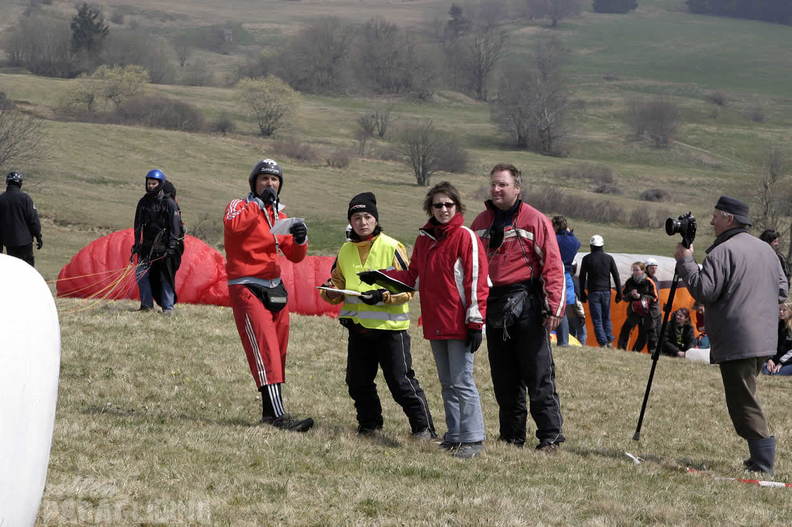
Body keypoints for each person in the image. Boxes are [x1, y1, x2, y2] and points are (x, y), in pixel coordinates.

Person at [366, 182, 488, 459]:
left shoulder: (465, 237)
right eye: (438, 205)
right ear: (430, 209)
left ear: (457, 207)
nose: (443, 209)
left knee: (462, 380)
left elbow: (476, 281)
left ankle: (473, 438)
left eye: (448, 204)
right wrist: (379, 277)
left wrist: (475, 321)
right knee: (447, 382)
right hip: (435, 321)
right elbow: (413, 278)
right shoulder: (424, 240)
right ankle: (455, 435)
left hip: (460, 322)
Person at [675, 195, 788, 473]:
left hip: (739, 337)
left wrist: (686, 261)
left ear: (729, 218)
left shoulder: (722, 252)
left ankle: (763, 460)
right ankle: (758, 456)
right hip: (764, 337)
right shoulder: (766, 250)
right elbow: (782, 290)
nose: (711, 221)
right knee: (745, 392)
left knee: (741, 399)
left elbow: (705, 290)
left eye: (716, 215)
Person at [320, 192, 436, 439]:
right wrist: (329, 290)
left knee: (401, 383)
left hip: (390, 330)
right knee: (357, 382)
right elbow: (338, 284)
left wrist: (383, 296)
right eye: (357, 217)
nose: (362, 222)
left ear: (375, 219)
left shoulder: (392, 247)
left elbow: (408, 289)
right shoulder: (345, 250)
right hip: (359, 328)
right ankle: (369, 425)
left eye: (367, 217)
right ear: (350, 222)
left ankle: (424, 428)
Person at [471, 163, 566, 451]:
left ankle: (550, 435)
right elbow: (470, 264)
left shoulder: (535, 220)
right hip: (494, 303)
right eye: (493, 184)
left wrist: (555, 307)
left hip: (527, 302)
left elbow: (553, 265)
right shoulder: (481, 223)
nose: (496, 189)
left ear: (517, 188)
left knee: (537, 373)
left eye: (502, 184)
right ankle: (512, 436)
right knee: (503, 375)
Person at [223, 158, 313, 432]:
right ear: (254, 183)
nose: (270, 183)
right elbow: (234, 227)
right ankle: (277, 415)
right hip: (246, 285)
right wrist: (260, 203)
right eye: (264, 179)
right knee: (264, 350)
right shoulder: (239, 206)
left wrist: (300, 239)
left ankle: (270, 412)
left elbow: (294, 256)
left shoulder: (280, 217)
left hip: (274, 287)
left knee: (278, 350)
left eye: (275, 180)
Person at [131, 169, 183, 314]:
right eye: (149, 183)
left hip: (165, 247)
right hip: (147, 247)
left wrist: (172, 245)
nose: (151, 186)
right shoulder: (143, 202)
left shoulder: (169, 203)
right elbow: (137, 225)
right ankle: (146, 305)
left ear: (160, 184)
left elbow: (175, 226)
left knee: (165, 276)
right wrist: (136, 243)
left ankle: (168, 308)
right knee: (140, 273)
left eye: (154, 183)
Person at [579, 234, 622, 347]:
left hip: (593, 292)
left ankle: (603, 343)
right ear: (602, 245)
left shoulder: (587, 259)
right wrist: (619, 293)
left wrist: (582, 292)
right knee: (606, 317)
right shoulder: (609, 258)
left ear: (591, 246)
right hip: (606, 292)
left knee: (597, 319)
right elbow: (616, 276)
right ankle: (609, 340)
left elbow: (582, 277)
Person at [0, 171, 42, 267]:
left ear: (7, 182)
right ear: (20, 183)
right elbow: (33, 220)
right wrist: (38, 236)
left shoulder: (1, 199)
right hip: (25, 241)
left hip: (9, 242)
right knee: (28, 269)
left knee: (14, 269)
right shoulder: (25, 198)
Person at [552, 216, 580, 347]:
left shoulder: (554, 239)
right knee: (562, 308)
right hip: (567, 275)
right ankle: (564, 340)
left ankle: (559, 340)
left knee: (553, 306)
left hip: (555, 273)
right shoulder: (575, 241)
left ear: (556, 226)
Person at [617, 262, 658, 352]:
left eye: (637, 270)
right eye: (633, 270)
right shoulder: (629, 281)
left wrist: (641, 296)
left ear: (643, 271)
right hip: (635, 311)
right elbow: (624, 297)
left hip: (648, 312)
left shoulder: (649, 281)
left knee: (646, 333)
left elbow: (655, 297)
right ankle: (621, 350)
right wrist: (631, 294)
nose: (635, 272)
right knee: (625, 329)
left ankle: (644, 352)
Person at [762, 300, 792, 376]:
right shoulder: (777, 325)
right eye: (780, 310)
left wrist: (781, 363)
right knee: (766, 371)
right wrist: (769, 359)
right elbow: (769, 343)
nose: (781, 312)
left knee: (775, 373)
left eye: (784, 310)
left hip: (788, 361)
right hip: (776, 360)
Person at [641, 258, 662, 353]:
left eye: (655, 268)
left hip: (657, 310)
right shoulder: (645, 280)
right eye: (652, 268)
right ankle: (652, 352)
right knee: (651, 333)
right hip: (649, 312)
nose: (654, 270)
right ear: (647, 268)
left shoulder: (655, 279)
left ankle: (657, 351)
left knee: (658, 332)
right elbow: (644, 296)